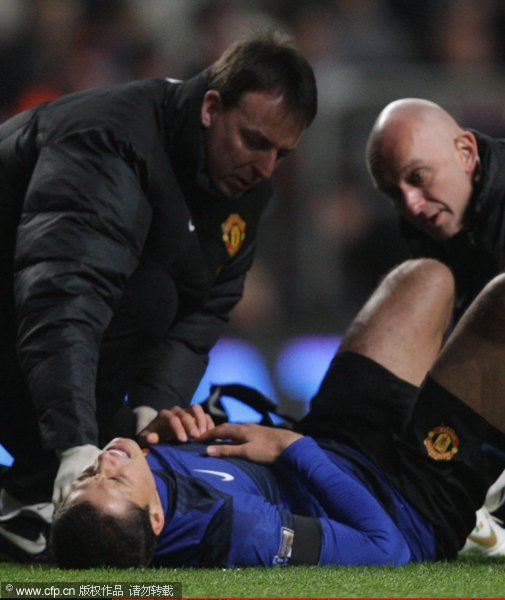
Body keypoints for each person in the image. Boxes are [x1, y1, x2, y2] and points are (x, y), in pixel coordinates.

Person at [0, 32, 318, 561]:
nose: (266, 167)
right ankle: (36, 488)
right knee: (143, 297)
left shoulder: (242, 184)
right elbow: (62, 295)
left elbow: (206, 306)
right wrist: (77, 446)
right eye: (256, 141)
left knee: (154, 299)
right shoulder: (109, 140)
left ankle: (30, 497)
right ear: (212, 107)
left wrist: (150, 415)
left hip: (29, 319)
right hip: (27, 309)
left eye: (282, 153)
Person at [51, 258, 505, 568]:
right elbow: (389, 551)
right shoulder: (239, 532)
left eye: (88, 478)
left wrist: (174, 434)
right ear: (155, 519)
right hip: (410, 501)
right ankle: (475, 515)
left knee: (425, 277)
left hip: (336, 441)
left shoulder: (133, 475)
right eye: (114, 480)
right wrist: (294, 448)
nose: (104, 463)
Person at [365, 98, 505, 551]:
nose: (410, 203)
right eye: (393, 192)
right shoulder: (429, 236)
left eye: (418, 177)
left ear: (466, 153)